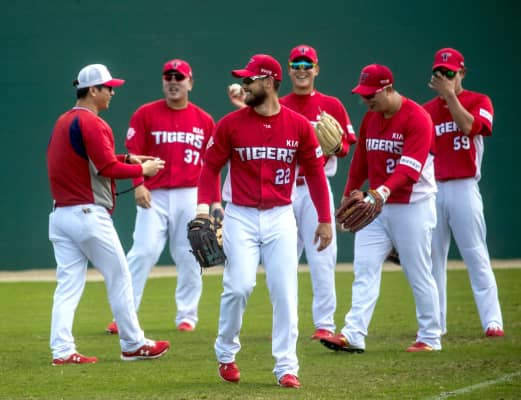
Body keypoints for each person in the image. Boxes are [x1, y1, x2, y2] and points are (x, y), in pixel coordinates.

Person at [197, 54, 333, 388]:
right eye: (243, 80)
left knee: (285, 291)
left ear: (269, 82)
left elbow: (316, 174)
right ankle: (226, 351)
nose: (244, 85)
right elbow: (210, 167)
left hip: (281, 216)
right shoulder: (230, 124)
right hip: (240, 215)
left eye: (250, 80)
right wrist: (205, 208)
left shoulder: (298, 125)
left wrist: (325, 218)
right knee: (239, 286)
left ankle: (287, 366)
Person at [228, 45, 356, 341]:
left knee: (322, 256)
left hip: (314, 187)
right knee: (284, 265)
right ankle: (287, 326)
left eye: (307, 64)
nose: (302, 70)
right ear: (287, 70)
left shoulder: (331, 104)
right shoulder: (279, 104)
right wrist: (241, 105)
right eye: (296, 65)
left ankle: (324, 323)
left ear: (316, 69)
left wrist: (336, 146)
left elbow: (345, 147)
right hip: (282, 190)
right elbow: (254, 129)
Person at [47, 63, 170, 365]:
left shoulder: (64, 120)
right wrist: (142, 169)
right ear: (93, 90)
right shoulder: (92, 122)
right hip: (87, 215)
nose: (112, 93)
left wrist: (128, 158)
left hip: (61, 216)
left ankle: (62, 350)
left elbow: (95, 160)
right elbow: (105, 167)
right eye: (108, 88)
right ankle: (133, 344)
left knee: (68, 286)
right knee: (120, 276)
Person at [321, 64, 442, 353]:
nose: (365, 100)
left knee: (417, 271)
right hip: (375, 208)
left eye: (370, 94)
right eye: (362, 95)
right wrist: (349, 192)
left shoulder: (418, 118)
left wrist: (380, 193)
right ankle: (353, 334)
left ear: (388, 88)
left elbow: (409, 169)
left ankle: (430, 336)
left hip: (413, 205)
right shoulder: (370, 118)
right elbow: (361, 159)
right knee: (364, 269)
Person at [105, 59, 219, 335]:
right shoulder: (146, 114)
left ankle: (187, 315)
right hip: (153, 194)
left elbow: (212, 165)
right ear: (163, 82)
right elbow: (133, 152)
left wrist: (214, 201)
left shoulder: (204, 120)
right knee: (143, 252)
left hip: (189, 194)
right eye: (168, 77)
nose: (173, 81)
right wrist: (138, 184)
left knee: (190, 254)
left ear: (190, 83)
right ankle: (124, 314)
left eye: (179, 77)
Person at [424, 48, 504, 337]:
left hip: (464, 186)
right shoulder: (425, 110)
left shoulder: (479, 101)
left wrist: (450, 96)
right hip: (433, 189)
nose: (444, 77)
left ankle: (492, 321)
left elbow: (470, 127)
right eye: (439, 72)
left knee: (475, 253)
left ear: (462, 73)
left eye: (450, 72)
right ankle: (436, 324)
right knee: (433, 259)